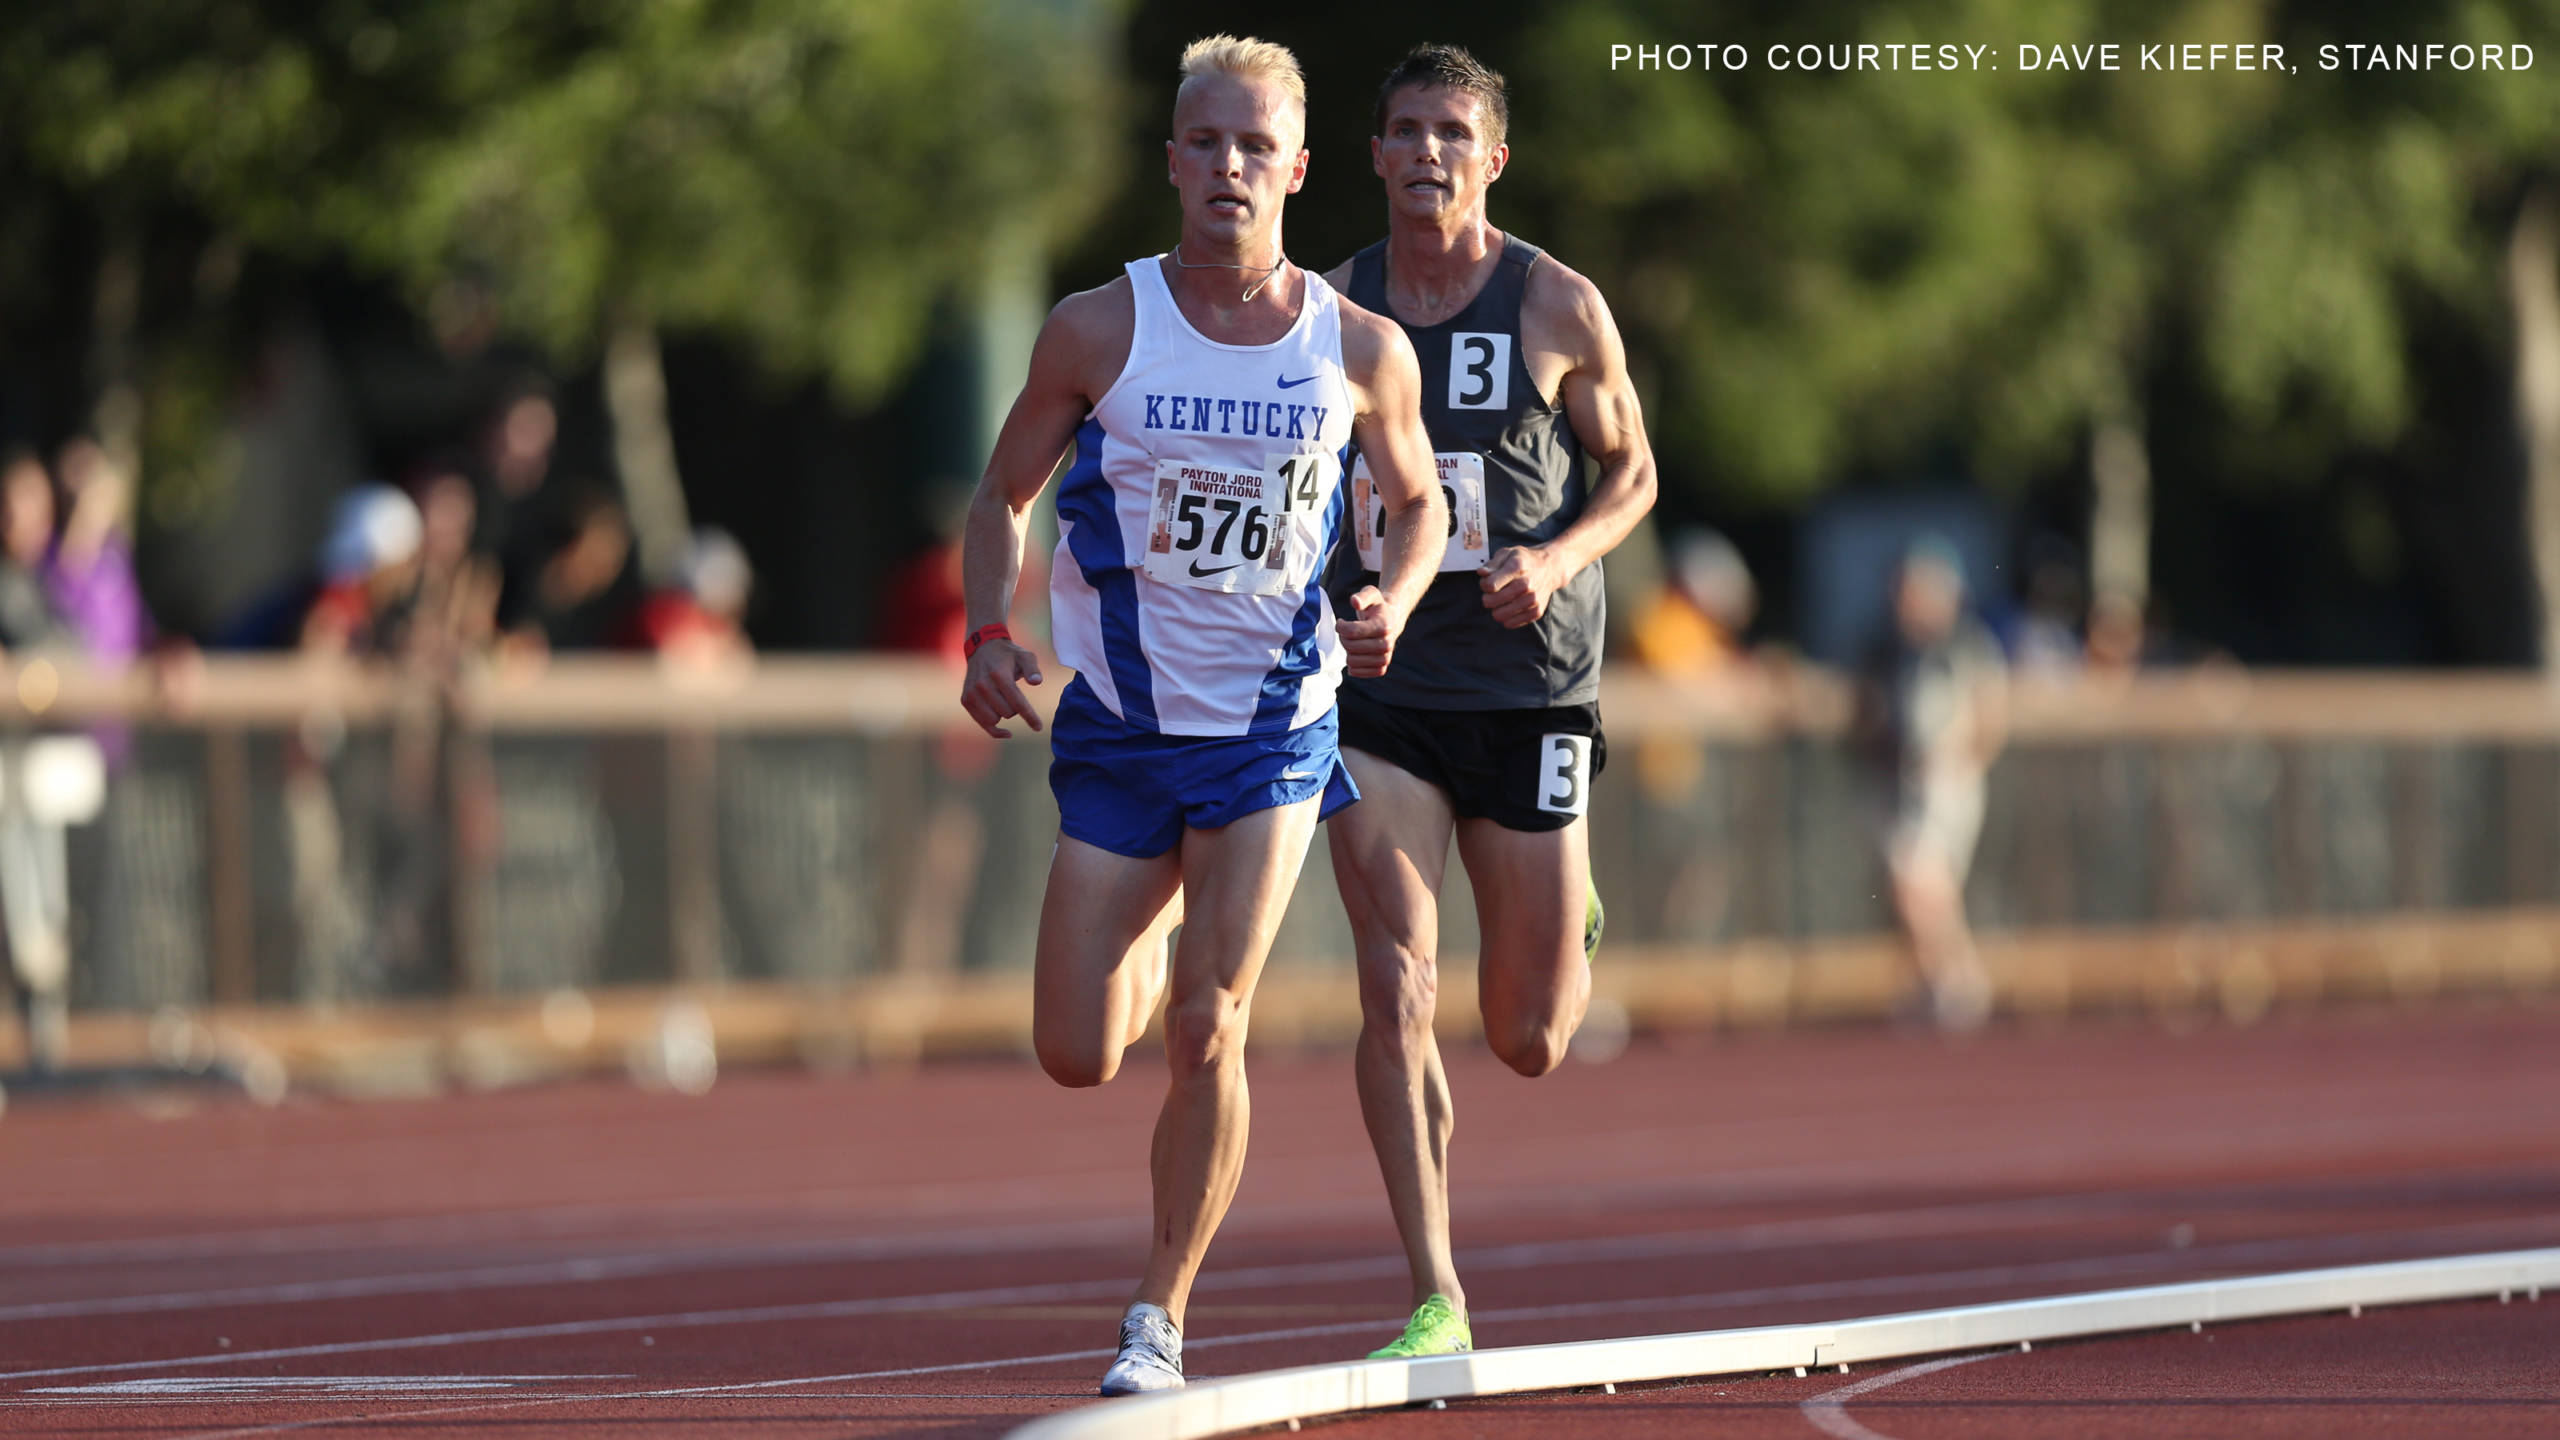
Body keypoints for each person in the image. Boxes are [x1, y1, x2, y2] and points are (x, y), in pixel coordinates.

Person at [957, 34, 1445, 1396]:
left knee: (1206, 1025)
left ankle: (1157, 1318)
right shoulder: (1097, 328)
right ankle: (1160, 890)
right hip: (1118, 727)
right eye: (1206, 143)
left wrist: (1394, 595)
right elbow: (1000, 500)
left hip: (1275, 729)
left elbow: (1417, 502)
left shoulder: (1358, 348)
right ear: (1172, 161)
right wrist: (991, 634)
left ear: (1295, 167)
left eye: (1255, 146)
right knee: (1074, 1052)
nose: (1230, 167)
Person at [1318, 44, 1660, 1361]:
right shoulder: (1331, 308)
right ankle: (1434, 1289)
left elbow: (1631, 477)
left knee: (1527, 1037)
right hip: (1384, 685)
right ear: (1372, 152)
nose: (1426, 153)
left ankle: (1568, 908)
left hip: (1529, 684)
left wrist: (1558, 556)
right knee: (1398, 979)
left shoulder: (1555, 304)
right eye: (1403, 129)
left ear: (1493, 157)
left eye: (1452, 132)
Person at [1852, 539, 2007, 1031]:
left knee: (1916, 880)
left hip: (1946, 786)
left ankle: (1958, 980)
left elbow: (1990, 712)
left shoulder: (1965, 644)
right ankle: (1937, 980)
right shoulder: (1888, 649)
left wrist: (1959, 766)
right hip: (1901, 783)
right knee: (1920, 889)